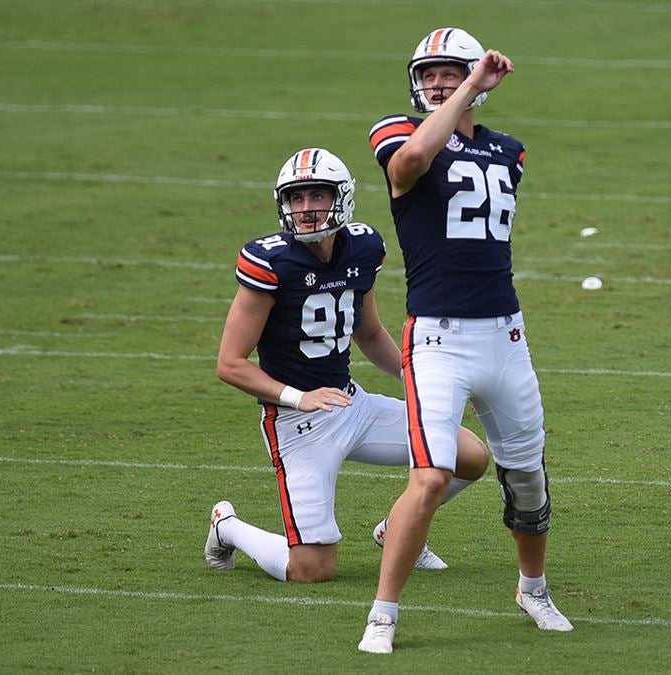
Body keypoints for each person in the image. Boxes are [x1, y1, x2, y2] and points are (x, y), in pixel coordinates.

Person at [358, 29, 573, 654]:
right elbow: (411, 165)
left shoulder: (510, 150)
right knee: (429, 477)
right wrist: (468, 93)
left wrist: (471, 97)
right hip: (437, 339)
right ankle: (383, 612)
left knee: (528, 480)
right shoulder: (398, 131)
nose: (437, 83)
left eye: (451, 73)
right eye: (429, 74)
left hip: (505, 335)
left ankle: (532, 589)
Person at [204, 147, 489, 584]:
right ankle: (226, 525)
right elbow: (230, 364)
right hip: (296, 423)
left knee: (469, 456)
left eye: (316, 196)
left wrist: (415, 380)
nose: (306, 209)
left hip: (349, 404)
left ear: (341, 197)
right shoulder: (270, 262)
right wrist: (300, 398)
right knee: (312, 570)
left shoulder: (362, 247)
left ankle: (398, 529)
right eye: (296, 198)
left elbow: (369, 332)